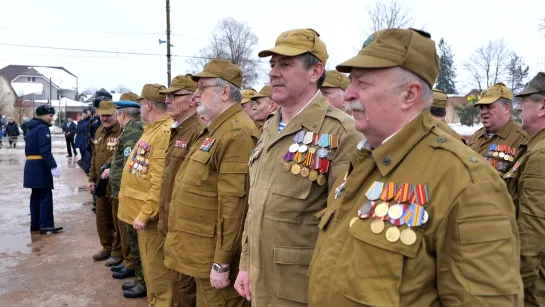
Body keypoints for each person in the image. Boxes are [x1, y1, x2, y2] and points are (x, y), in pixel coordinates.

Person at [306, 28, 523, 306]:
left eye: (363, 83)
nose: (348, 94)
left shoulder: (467, 184)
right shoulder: (366, 159)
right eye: (351, 82)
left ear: (410, 94)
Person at [233, 28, 362, 306]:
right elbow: (255, 207)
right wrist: (246, 264)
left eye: (286, 64)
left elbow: (342, 228)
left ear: (315, 71)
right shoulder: (269, 127)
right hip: (259, 281)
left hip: (302, 290)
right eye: (273, 65)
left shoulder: (342, 132)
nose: (273, 73)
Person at [164, 59, 258, 307]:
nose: (196, 95)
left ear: (225, 92)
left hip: (213, 259)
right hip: (199, 251)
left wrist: (222, 261)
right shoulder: (218, 128)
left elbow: (234, 204)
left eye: (202, 88)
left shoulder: (236, 133)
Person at [118, 83, 173, 306]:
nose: (139, 109)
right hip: (142, 214)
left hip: (150, 217)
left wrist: (145, 213)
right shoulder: (151, 130)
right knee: (150, 272)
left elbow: (159, 181)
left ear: (148, 105)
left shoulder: (163, 132)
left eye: (140, 104)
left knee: (157, 274)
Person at [158, 74, 206, 307]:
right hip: (170, 220)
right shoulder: (178, 130)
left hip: (184, 225)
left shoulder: (197, 131)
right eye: (167, 95)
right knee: (176, 282)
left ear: (192, 100)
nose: (168, 100)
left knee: (185, 288)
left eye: (175, 95)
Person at [504, 72, 545, 306]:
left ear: (542, 107)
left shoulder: (540, 155)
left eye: (525, 101)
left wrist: (512, 284)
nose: (520, 107)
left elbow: (533, 234)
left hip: (534, 287)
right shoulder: (534, 147)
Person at [101, 93, 146, 298]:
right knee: (126, 233)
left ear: (123, 115)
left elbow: (129, 163)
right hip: (121, 189)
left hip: (126, 191)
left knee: (132, 236)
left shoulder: (132, 131)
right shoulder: (129, 130)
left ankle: (140, 278)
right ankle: (135, 271)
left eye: (118, 113)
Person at [468, 82, 529, 175]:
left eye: (489, 107)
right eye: (481, 108)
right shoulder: (475, 137)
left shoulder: (523, 138)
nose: (483, 112)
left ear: (506, 108)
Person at [88, 100, 122, 263]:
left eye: (108, 115)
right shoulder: (99, 131)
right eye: (102, 115)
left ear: (116, 114)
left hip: (115, 182)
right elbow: (95, 156)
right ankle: (106, 247)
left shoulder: (122, 131)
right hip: (101, 183)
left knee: (116, 219)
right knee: (102, 217)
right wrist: (91, 178)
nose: (105, 118)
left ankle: (118, 251)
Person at [23, 105, 63, 235]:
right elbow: (45, 150)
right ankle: (45, 225)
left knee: (35, 195)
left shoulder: (31, 127)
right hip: (40, 165)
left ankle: (35, 223)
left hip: (30, 164)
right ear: (42, 115)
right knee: (45, 195)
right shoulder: (42, 128)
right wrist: (53, 166)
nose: (51, 118)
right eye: (50, 116)